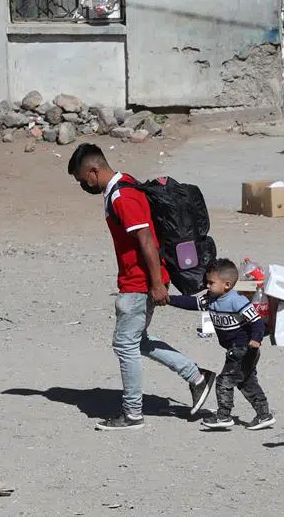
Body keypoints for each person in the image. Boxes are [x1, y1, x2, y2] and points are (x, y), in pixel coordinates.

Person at [67, 143, 216, 430]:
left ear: (93, 171)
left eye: (82, 179)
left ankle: (132, 413)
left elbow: (146, 239)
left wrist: (157, 284)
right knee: (138, 341)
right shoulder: (125, 186)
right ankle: (197, 377)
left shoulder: (123, 196)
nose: (83, 185)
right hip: (138, 280)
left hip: (139, 282)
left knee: (125, 344)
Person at [167, 259, 275, 431]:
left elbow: (257, 322)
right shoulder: (210, 299)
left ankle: (223, 416)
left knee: (224, 380)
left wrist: (256, 339)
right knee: (246, 382)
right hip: (235, 348)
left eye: (211, 283)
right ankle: (264, 415)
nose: (207, 286)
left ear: (227, 284)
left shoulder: (237, 300)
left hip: (243, 348)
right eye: (206, 282)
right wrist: (168, 299)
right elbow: (190, 303)